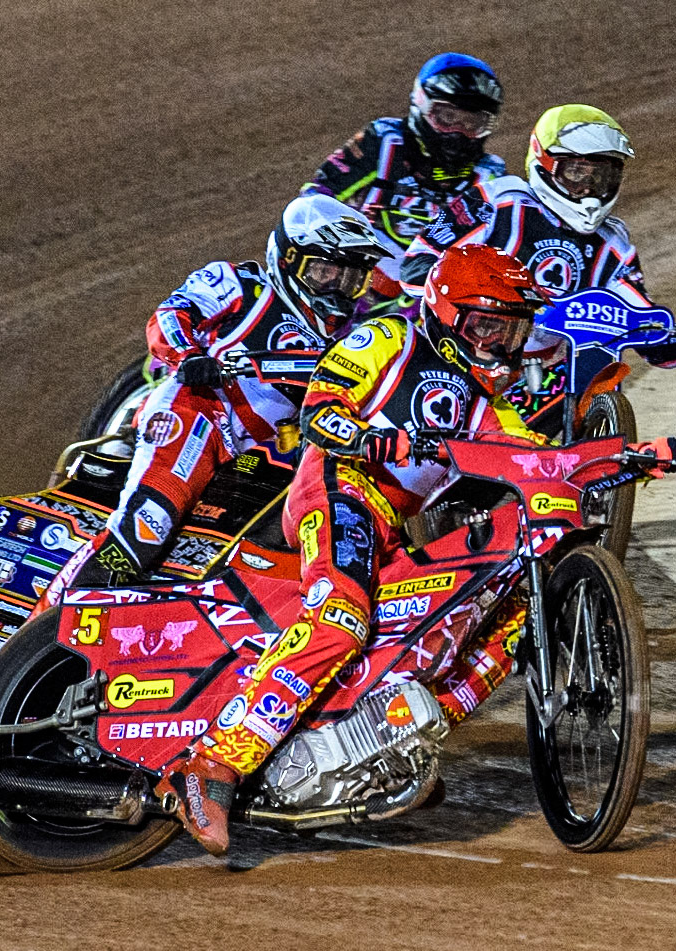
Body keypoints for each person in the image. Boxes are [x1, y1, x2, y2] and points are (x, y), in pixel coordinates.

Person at [155, 244, 550, 855]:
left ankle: (387, 745)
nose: (498, 346)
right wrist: (373, 440)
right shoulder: (389, 336)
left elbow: (539, 462)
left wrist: (626, 458)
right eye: (486, 327)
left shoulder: (489, 405)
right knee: (340, 620)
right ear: (448, 312)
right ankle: (212, 766)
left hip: (392, 524)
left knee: (501, 616)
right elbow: (321, 409)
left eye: (512, 332)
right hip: (338, 485)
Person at [32, 195, 388, 609]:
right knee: (147, 525)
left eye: (351, 278)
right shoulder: (241, 284)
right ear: (290, 258)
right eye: (326, 272)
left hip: (257, 460)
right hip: (195, 413)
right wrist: (189, 357)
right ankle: (42, 622)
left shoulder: (344, 344)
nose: (337, 289)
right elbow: (171, 314)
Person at [399, 104, 676, 380]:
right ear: (545, 165)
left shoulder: (615, 247)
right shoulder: (496, 201)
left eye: (601, 176)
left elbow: (642, 326)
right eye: (576, 173)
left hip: (537, 380)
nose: (588, 189)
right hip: (452, 360)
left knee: (599, 371)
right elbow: (416, 267)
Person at [305, 53, 507, 314]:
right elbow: (313, 201)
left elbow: (502, 254)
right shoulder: (384, 141)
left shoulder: (490, 177)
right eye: (448, 117)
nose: (458, 132)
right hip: (351, 284)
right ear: (423, 106)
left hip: (430, 301)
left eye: (471, 123)